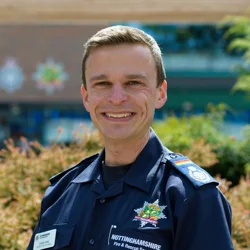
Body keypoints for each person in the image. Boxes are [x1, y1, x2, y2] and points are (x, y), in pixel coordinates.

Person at [27, 25, 234, 250]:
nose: (117, 98)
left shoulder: (191, 198)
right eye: (103, 84)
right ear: (86, 97)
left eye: (133, 83)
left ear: (160, 93)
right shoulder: (60, 193)